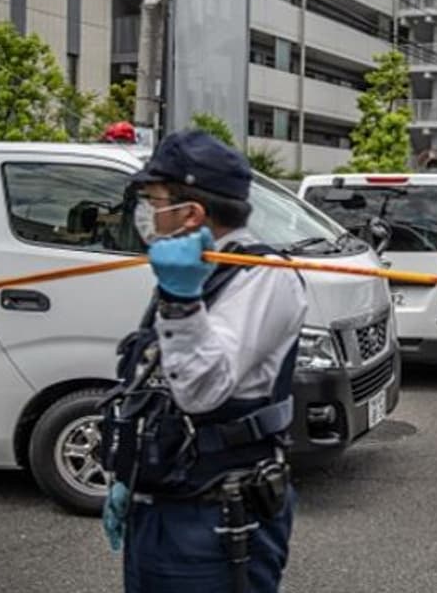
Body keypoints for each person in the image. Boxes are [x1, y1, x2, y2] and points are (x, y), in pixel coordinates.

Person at [98, 130, 306, 593]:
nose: (147, 216)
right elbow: (152, 378)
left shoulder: (266, 278)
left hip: (217, 512)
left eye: (154, 201)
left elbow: (201, 392)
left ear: (191, 213)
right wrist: (127, 476)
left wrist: (180, 303)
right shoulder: (193, 271)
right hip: (159, 500)